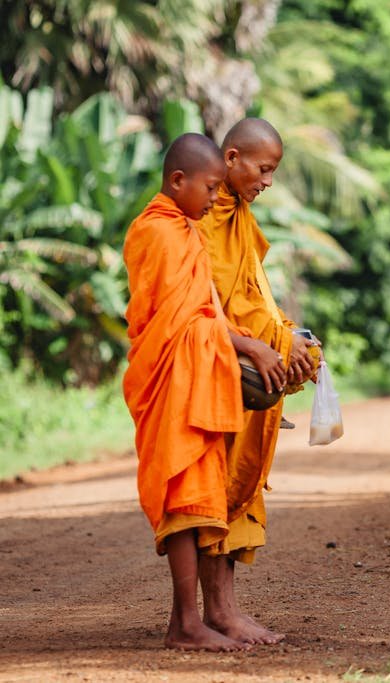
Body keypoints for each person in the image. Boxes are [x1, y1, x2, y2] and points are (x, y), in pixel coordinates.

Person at [122, 133, 287, 651]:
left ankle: (190, 620)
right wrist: (250, 347)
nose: (217, 198)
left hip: (200, 377)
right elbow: (178, 318)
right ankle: (186, 623)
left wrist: (273, 342)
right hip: (171, 379)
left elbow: (209, 310)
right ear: (179, 181)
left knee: (199, 498)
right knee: (181, 499)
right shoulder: (157, 232)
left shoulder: (189, 230)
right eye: (211, 187)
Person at [195, 117, 319, 644]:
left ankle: (225, 609)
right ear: (230, 159)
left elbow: (255, 295)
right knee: (213, 489)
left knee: (240, 490)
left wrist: (292, 339)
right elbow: (201, 305)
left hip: (255, 373)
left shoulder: (240, 218)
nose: (268, 181)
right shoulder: (197, 220)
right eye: (264, 169)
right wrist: (253, 345)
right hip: (216, 370)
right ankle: (214, 613)